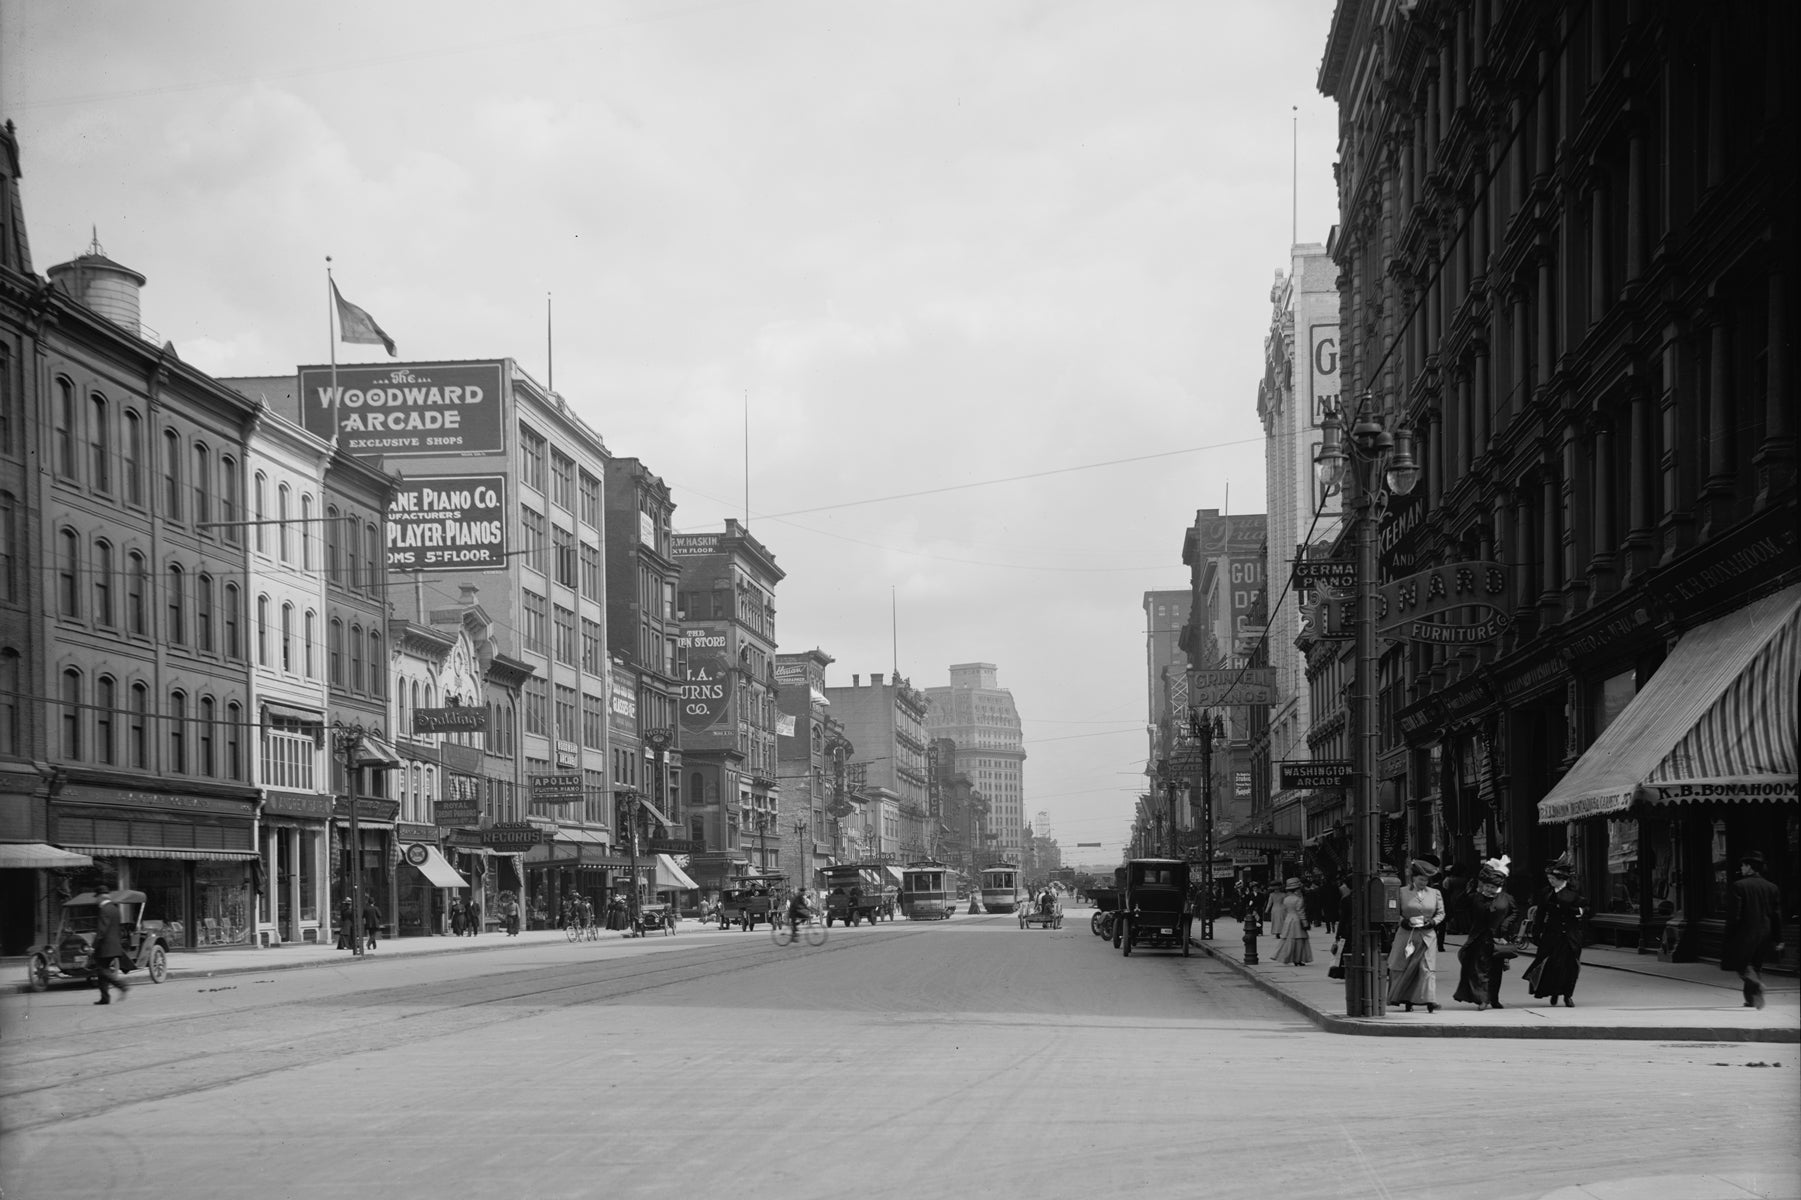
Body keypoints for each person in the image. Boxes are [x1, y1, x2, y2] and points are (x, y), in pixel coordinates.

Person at [1454, 856, 1518, 1010]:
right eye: (1487, 886)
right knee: (1479, 970)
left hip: (1497, 940)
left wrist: (1505, 925)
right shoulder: (1476, 897)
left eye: (1493, 887)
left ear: (1499, 887)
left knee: (1496, 971)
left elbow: (1514, 913)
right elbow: (1459, 906)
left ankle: (1494, 998)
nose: (1489, 890)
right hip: (1479, 938)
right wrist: (1467, 891)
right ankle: (1482, 999)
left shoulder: (1506, 899)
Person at [1723, 851, 1784, 1010]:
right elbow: (1776, 915)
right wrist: (1778, 938)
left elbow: (1734, 915)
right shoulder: (1772, 887)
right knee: (1756, 966)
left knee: (1741, 964)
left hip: (1745, 932)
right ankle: (1751, 1000)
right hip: (1766, 932)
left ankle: (1757, 985)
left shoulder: (1739, 886)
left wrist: (1729, 934)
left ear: (1750, 867)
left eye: (1743, 865)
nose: (1741, 868)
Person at [1523, 855, 1587, 1007]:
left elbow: (1585, 909)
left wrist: (1575, 912)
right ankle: (1554, 992)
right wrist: (1536, 932)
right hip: (1552, 935)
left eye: (1552, 878)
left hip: (1570, 935)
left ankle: (1567, 995)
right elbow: (1540, 914)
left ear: (1561, 878)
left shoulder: (1575, 891)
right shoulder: (1546, 893)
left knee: (1570, 966)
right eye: (1549, 877)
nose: (1550, 881)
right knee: (1552, 966)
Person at [1386, 856, 1445, 1012]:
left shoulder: (1435, 893)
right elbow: (1393, 912)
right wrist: (1402, 921)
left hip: (1427, 936)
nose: (1423, 883)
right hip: (1407, 935)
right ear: (1413, 878)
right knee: (1405, 967)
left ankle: (1430, 1000)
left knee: (1427, 968)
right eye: (1420, 879)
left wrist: (1432, 922)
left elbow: (1441, 913)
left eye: (1426, 880)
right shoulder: (1402, 892)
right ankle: (1406, 999)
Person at [90, 890, 130, 1005]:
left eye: (97, 897)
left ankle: (122, 986)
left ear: (101, 897)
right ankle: (105, 998)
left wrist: (94, 946)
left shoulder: (104, 910)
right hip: (114, 945)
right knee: (102, 971)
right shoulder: (115, 909)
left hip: (105, 946)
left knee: (102, 970)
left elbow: (102, 930)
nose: (96, 900)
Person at [1271, 878, 1312, 965]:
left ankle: (1284, 956)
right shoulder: (1299, 899)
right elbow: (1301, 912)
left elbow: (1285, 910)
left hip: (1288, 920)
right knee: (1299, 940)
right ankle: (1298, 959)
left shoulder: (1286, 899)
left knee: (1288, 940)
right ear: (1297, 889)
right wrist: (1305, 922)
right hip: (1297, 920)